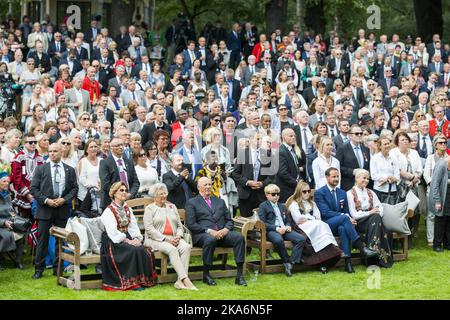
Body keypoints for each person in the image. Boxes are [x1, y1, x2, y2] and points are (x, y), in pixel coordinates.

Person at [315, 167, 378, 273]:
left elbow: (346, 211)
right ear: (327, 177)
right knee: (344, 218)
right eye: (333, 176)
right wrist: (346, 217)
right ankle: (361, 247)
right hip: (327, 224)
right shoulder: (320, 192)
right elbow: (325, 212)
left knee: (343, 229)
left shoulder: (342, 193)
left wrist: (348, 218)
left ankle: (348, 263)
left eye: (337, 176)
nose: (336, 179)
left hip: (340, 224)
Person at [185, 177, 247, 286]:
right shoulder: (192, 203)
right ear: (199, 187)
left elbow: (229, 220)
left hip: (222, 233)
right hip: (202, 235)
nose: (208, 187)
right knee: (210, 239)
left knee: (239, 238)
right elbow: (191, 224)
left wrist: (226, 229)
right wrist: (209, 231)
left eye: (210, 184)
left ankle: (239, 275)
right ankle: (206, 274)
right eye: (205, 185)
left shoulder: (220, 201)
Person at [30, 143, 78, 279]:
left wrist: (64, 199)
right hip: (45, 209)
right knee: (42, 241)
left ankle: (58, 268)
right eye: (50, 151)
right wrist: (46, 200)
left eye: (55, 151)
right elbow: (33, 189)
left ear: (61, 152)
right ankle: (39, 269)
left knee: (60, 241)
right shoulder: (41, 169)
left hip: (62, 209)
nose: (52, 153)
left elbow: (74, 189)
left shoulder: (69, 169)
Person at [100, 182, 158, 290]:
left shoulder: (128, 209)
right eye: (121, 190)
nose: (124, 192)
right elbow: (112, 232)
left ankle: (142, 281)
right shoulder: (108, 211)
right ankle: (131, 283)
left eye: (125, 190)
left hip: (127, 237)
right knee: (132, 250)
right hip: (112, 241)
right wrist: (127, 241)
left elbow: (133, 227)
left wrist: (136, 239)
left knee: (143, 250)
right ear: (114, 193)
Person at [144, 183, 197, 290]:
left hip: (174, 238)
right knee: (172, 249)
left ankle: (179, 281)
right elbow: (149, 229)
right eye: (161, 194)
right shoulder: (150, 209)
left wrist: (178, 235)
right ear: (155, 196)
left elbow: (179, 225)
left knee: (186, 247)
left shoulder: (172, 207)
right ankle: (186, 280)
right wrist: (166, 238)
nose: (164, 196)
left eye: (165, 193)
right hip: (155, 240)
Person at [285, 181, 341, 274]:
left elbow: (318, 217)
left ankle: (326, 260)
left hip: (314, 225)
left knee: (323, 224)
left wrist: (309, 218)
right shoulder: (294, 204)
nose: (307, 193)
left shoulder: (312, 203)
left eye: (309, 191)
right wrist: (311, 218)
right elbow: (298, 219)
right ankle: (319, 262)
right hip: (301, 228)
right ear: (299, 192)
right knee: (320, 225)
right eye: (304, 191)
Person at [347, 169, 394, 268]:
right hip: (359, 223)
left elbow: (380, 206)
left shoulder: (371, 192)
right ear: (357, 178)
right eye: (364, 178)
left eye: (368, 178)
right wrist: (370, 212)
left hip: (374, 221)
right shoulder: (350, 193)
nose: (366, 180)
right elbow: (354, 214)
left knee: (376, 218)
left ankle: (371, 259)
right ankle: (378, 259)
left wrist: (377, 212)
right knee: (375, 218)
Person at [258, 184, 306, 277]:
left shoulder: (281, 206)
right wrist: (277, 228)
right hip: (271, 231)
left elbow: (288, 220)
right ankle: (287, 260)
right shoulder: (263, 206)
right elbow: (263, 223)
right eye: (273, 194)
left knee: (301, 239)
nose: (276, 196)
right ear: (267, 195)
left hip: (285, 230)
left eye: (278, 194)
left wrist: (288, 226)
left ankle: (291, 262)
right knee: (278, 240)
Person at [232, 130, 274, 217]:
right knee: (247, 221)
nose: (260, 141)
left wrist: (262, 183)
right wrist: (248, 182)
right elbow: (235, 173)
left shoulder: (267, 154)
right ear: (250, 139)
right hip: (246, 194)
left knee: (261, 221)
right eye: (258, 139)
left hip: (261, 194)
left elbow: (271, 175)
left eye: (261, 139)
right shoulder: (242, 153)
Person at [99, 137, 140, 211]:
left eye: (122, 145)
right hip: (110, 202)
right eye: (117, 145)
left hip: (129, 201)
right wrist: (120, 194)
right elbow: (105, 184)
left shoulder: (129, 162)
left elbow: (136, 182)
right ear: (111, 148)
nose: (121, 147)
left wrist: (130, 194)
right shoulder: (105, 163)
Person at [11, 134, 45, 218]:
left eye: (35, 142)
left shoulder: (41, 158)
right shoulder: (18, 158)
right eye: (30, 142)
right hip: (23, 196)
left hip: (38, 195)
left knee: (37, 221)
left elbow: (44, 177)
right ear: (24, 144)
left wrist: (38, 194)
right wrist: (28, 195)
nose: (33, 144)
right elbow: (17, 178)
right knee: (24, 222)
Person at [423, 135, 448, 246]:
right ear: (435, 145)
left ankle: (442, 239)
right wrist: (432, 184)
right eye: (440, 143)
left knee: (444, 215)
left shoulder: (448, 157)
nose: (443, 144)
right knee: (432, 214)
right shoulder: (430, 158)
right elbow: (426, 174)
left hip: (446, 191)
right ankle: (431, 239)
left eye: (444, 142)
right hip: (432, 189)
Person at [0, 171, 25, 270]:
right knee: (6, 235)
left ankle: (17, 261)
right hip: (1, 224)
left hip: (9, 222)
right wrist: (4, 223)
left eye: (8, 181)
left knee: (22, 232)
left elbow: (11, 211)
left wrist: (16, 220)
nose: (6, 183)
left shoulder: (8, 195)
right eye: (4, 181)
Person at [336, 125, 371, 191]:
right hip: (349, 184)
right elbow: (338, 167)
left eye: (361, 133)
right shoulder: (342, 149)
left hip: (364, 186)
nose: (359, 135)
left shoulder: (365, 149)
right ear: (350, 136)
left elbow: (368, 165)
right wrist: (352, 171)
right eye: (357, 134)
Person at [276, 128, 306, 203]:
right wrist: (296, 183)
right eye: (291, 136)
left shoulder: (291, 150)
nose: (293, 137)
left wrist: (300, 180)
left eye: (294, 136)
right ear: (284, 137)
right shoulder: (281, 151)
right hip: (286, 190)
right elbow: (282, 172)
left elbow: (296, 168)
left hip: (293, 188)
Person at [428, 154, 450, 252]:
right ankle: (437, 244)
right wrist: (437, 200)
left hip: (448, 196)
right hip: (442, 197)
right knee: (440, 220)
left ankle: (447, 243)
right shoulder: (441, 165)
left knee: (448, 220)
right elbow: (435, 183)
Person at [370, 136, 400, 203]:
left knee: (391, 211)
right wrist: (387, 178)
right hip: (379, 190)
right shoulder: (375, 158)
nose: (387, 146)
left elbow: (397, 175)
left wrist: (394, 178)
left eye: (388, 143)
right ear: (380, 146)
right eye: (385, 144)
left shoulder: (394, 158)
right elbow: (373, 175)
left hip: (392, 189)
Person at [77, 139, 101, 212]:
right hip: (85, 196)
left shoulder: (102, 160)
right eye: (91, 147)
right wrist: (94, 186)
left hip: (99, 195)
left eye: (95, 146)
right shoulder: (83, 161)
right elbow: (82, 179)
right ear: (86, 150)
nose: (93, 148)